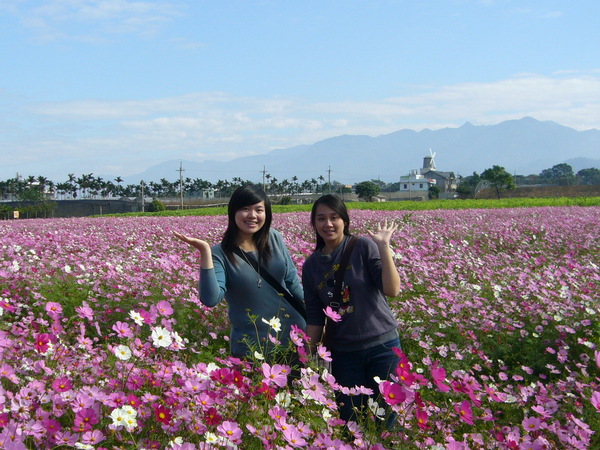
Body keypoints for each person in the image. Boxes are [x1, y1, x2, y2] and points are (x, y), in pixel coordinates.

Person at [174, 185, 306, 360]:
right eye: (245, 209)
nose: (252, 215)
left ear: (266, 214)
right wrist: (205, 251)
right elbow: (211, 299)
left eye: (259, 210)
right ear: (233, 212)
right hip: (252, 347)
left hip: (293, 339)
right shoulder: (220, 253)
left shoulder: (274, 238)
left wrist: (316, 317)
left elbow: (292, 282)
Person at [302, 194, 401, 424]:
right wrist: (307, 354)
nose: (328, 224)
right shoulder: (312, 266)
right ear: (314, 224)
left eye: (334, 217)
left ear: (345, 220)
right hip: (344, 354)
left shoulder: (363, 246)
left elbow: (392, 289)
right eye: (321, 218)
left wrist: (384, 247)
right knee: (350, 421)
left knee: (386, 421)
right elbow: (316, 315)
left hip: (382, 348)